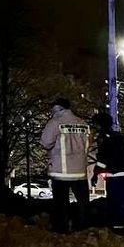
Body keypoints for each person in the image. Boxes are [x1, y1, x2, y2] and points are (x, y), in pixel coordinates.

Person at [40, 97, 92, 233]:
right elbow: (88, 145)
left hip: (60, 172)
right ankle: (83, 228)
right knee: (83, 203)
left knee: (61, 204)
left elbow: (45, 143)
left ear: (57, 108)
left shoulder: (55, 122)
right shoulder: (82, 123)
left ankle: (61, 229)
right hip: (80, 172)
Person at [91, 110, 124, 232]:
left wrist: (95, 173)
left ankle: (118, 228)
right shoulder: (119, 136)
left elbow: (103, 159)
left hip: (115, 175)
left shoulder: (104, 138)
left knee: (115, 203)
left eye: (96, 125)